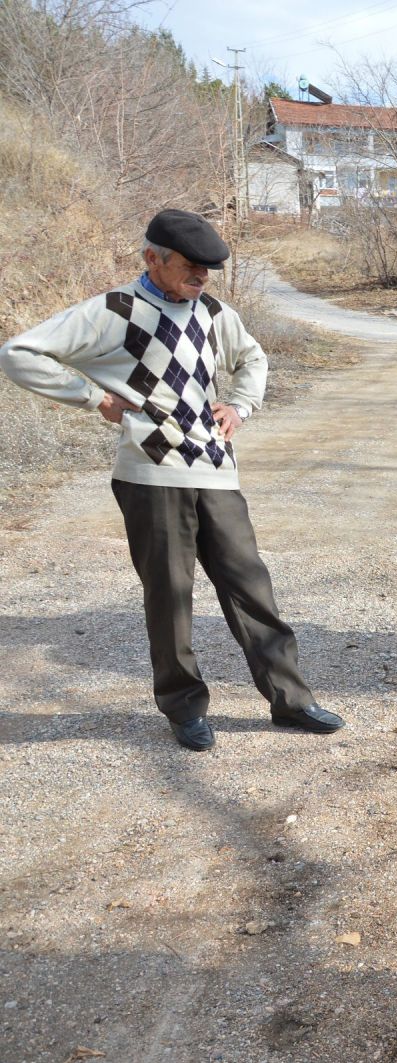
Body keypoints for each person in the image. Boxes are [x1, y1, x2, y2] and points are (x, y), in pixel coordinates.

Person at [0, 209, 343, 751]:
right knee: (170, 596)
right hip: (150, 473)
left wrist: (242, 405)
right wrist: (93, 398)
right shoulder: (114, 311)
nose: (202, 276)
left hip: (215, 468)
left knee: (251, 588)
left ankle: (291, 701)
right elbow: (18, 353)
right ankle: (184, 709)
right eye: (191, 266)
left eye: (208, 269)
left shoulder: (214, 312)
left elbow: (253, 358)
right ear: (152, 259)